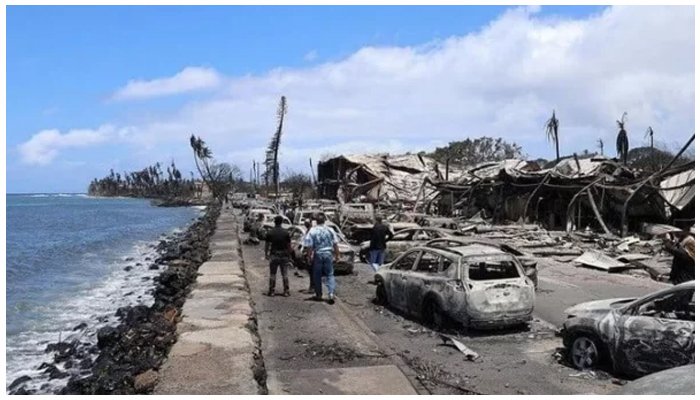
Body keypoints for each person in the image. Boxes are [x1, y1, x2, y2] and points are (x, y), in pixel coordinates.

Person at [305, 213, 340, 304]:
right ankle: (331, 293)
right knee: (330, 274)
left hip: (318, 254)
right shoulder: (330, 230)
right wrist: (337, 255)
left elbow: (309, 245)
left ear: (316, 221)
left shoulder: (312, 230)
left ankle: (319, 294)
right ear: (325, 221)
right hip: (328, 253)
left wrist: (309, 256)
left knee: (317, 275)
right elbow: (335, 243)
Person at [264, 216, 292, 297]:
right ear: (281, 222)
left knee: (273, 274)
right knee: (285, 274)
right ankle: (286, 291)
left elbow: (267, 245)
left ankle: (272, 291)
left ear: (274, 222)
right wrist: (289, 255)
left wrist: (266, 254)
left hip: (274, 255)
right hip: (284, 255)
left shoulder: (270, 232)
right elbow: (289, 245)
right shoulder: (286, 232)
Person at [301, 219, 315, 293]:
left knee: (312, 271)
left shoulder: (311, 232)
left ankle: (312, 287)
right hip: (307, 252)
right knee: (310, 271)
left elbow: (310, 245)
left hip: (310, 253)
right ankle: (312, 286)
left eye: (307, 223)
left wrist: (308, 255)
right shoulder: (307, 231)